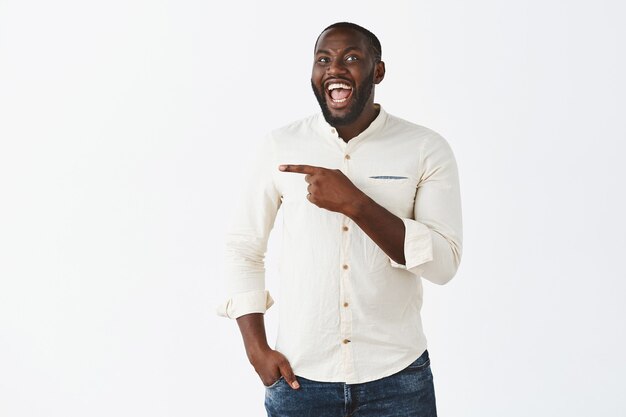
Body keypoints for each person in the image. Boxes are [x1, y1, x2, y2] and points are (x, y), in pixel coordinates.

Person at [217, 21, 463, 417]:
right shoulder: (280, 146)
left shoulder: (424, 149)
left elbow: (443, 265)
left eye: (351, 58)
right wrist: (255, 349)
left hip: (398, 381)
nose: (334, 68)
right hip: (299, 380)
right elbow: (243, 248)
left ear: (377, 71)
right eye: (323, 59)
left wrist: (356, 203)